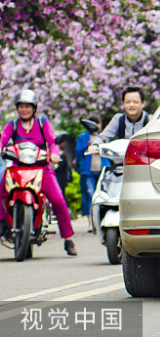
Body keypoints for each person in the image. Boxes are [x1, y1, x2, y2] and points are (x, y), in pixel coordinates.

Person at [0, 89, 77, 256]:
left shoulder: (43, 123)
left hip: (42, 169)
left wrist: (55, 154)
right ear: (17, 108)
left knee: (57, 199)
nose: (24, 109)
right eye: (21, 106)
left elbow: (52, 141)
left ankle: (68, 238)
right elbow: (2, 140)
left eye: (28, 106)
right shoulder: (12, 125)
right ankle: (2, 222)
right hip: (17, 169)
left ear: (34, 108)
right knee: (1, 189)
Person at [75, 117, 108, 232]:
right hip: (88, 171)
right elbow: (78, 154)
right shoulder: (82, 137)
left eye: (99, 123)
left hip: (103, 170)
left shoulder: (104, 137)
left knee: (103, 195)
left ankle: (102, 222)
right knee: (90, 194)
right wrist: (87, 146)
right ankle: (91, 222)